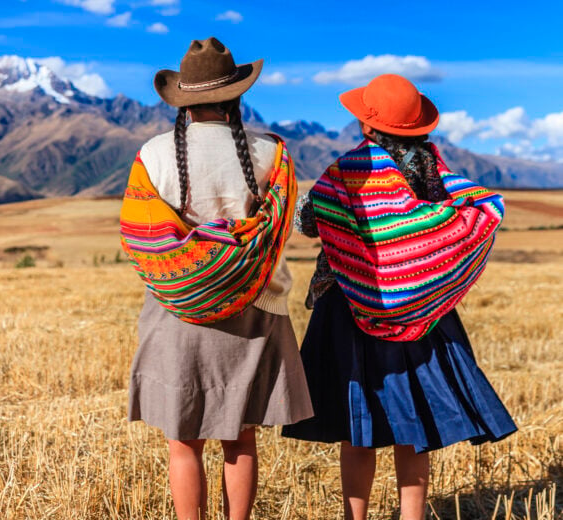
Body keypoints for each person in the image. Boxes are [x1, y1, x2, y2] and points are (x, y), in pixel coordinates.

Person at [282, 74, 517, 520]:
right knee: (414, 425)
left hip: (348, 308)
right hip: (422, 314)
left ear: (367, 126)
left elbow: (311, 221)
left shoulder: (348, 169)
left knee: (359, 426)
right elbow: (465, 212)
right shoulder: (434, 169)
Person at [119, 37, 313, 520]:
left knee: (183, 441)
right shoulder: (271, 155)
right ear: (236, 96)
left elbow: (138, 235)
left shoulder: (153, 154)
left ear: (183, 100)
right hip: (256, 311)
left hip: (175, 311)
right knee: (240, 436)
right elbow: (287, 224)